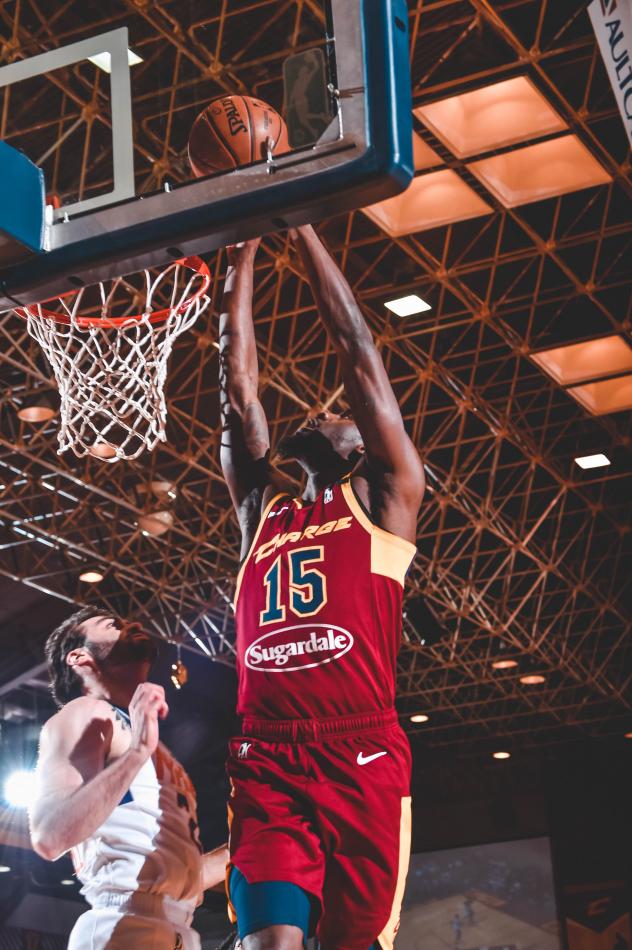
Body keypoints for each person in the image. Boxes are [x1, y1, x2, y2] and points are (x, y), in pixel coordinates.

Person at [218, 226, 425, 950]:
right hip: (268, 755)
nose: (328, 413)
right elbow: (238, 392)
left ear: (362, 448)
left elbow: (359, 353)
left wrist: (302, 226)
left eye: (345, 419)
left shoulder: (388, 500)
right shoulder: (262, 516)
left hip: (359, 752)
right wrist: (242, 245)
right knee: (266, 944)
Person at [29, 607, 229, 950]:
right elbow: (50, 835)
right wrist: (138, 751)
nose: (132, 623)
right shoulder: (87, 713)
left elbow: (183, 880)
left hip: (176, 925)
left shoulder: (151, 742)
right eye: (113, 624)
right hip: (122, 924)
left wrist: (252, 836)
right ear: (80, 657)